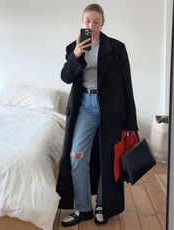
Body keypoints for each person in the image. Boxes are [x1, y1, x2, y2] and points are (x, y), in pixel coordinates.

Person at [56, 3, 138, 227]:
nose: (90, 25)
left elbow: (127, 86)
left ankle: (103, 205)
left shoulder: (117, 48)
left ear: (103, 23)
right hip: (85, 106)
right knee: (76, 156)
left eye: (95, 21)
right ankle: (83, 208)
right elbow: (66, 77)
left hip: (112, 108)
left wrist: (131, 122)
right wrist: (76, 54)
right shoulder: (73, 47)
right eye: (87, 21)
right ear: (82, 22)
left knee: (109, 159)